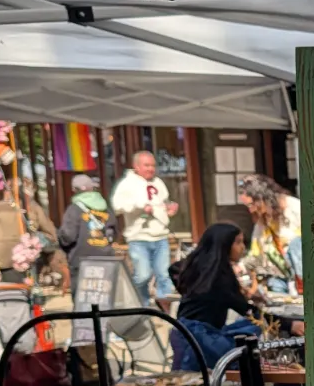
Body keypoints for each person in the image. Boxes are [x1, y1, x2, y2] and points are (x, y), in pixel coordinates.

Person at [171, 223, 260, 370]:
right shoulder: (219, 277)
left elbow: (174, 269)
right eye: (238, 242)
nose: (243, 247)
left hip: (183, 332)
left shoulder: (202, 267)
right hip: (200, 338)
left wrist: (189, 290)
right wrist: (287, 324)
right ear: (224, 244)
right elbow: (247, 310)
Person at [112, 150, 179, 310]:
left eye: (153, 165)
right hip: (139, 237)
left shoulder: (158, 182)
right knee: (143, 275)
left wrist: (169, 209)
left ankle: (165, 310)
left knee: (164, 275)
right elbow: (117, 206)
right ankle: (140, 304)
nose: (150, 169)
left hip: (160, 235)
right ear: (136, 166)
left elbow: (163, 203)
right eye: (146, 165)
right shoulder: (127, 184)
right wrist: (139, 207)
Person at [238, 175, 302, 294]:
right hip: (280, 276)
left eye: (251, 204)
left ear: (262, 198)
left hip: (304, 273)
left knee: (296, 244)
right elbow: (256, 253)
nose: (251, 210)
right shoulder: (262, 221)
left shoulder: (295, 208)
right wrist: (240, 267)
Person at [57, 174, 120, 271]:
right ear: (92, 187)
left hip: (81, 261)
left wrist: (61, 244)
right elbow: (113, 233)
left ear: (74, 190)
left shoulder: (74, 209)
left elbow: (68, 236)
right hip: (106, 259)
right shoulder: (106, 208)